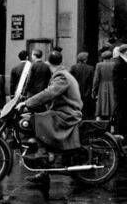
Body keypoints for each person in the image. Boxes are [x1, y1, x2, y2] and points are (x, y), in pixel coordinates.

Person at [22, 50, 83, 189]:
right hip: (64, 111)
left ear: (49, 63)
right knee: (41, 118)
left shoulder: (61, 76)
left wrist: (27, 103)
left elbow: (49, 93)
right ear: (61, 62)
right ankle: (45, 167)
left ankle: (43, 155)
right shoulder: (64, 73)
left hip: (66, 114)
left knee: (37, 121)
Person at [92, 48, 117, 121]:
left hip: (102, 86)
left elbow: (96, 78)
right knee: (112, 101)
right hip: (112, 85)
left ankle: (101, 120)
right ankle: (112, 120)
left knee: (102, 102)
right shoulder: (114, 64)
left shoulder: (99, 65)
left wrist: (94, 89)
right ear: (111, 57)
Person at [69, 52, 96, 119]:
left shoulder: (73, 67)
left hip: (75, 91)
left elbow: (70, 80)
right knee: (85, 110)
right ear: (85, 59)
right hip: (87, 91)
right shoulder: (91, 68)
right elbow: (92, 81)